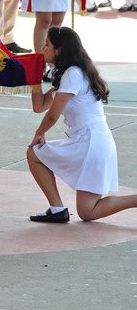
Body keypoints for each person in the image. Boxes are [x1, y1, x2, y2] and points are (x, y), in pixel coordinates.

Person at [27, 26, 137, 223]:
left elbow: (52, 114)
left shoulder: (73, 74)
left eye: (47, 45)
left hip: (90, 142)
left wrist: (39, 133)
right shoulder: (65, 73)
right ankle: (58, 210)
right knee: (88, 212)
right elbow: (40, 106)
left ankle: (57, 209)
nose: (42, 48)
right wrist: (35, 76)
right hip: (92, 141)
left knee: (33, 152)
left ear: (59, 50)